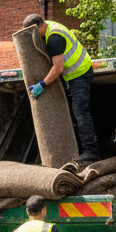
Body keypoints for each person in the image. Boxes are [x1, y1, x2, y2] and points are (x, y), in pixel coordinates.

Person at [23, 13, 99, 162]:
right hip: (70, 75)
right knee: (71, 111)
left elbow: (57, 69)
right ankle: (78, 149)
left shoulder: (54, 39)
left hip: (80, 73)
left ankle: (91, 151)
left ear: (37, 27)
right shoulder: (48, 26)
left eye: (31, 32)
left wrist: (42, 85)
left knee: (80, 113)